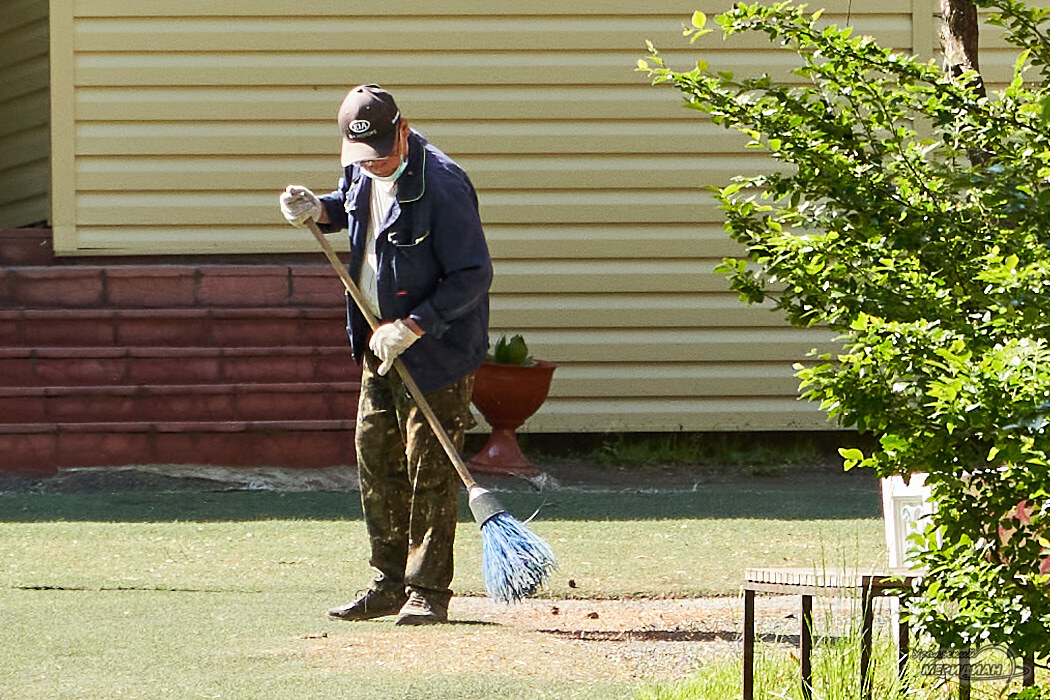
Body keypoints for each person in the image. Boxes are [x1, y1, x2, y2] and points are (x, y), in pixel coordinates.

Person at [278, 84, 492, 625]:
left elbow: (473, 274)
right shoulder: (362, 168)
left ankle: (428, 592)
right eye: (363, 158)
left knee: (431, 469)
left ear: (403, 129)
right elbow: (353, 215)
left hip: (436, 349)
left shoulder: (442, 184)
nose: (373, 167)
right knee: (375, 457)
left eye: (382, 155)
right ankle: (388, 582)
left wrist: (415, 325)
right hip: (376, 342)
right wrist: (317, 210)